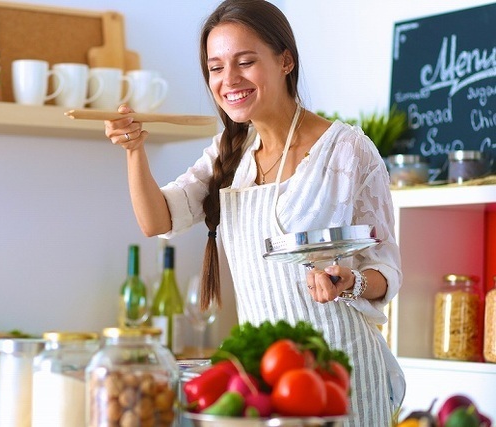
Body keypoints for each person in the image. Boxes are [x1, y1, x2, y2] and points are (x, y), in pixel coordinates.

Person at [104, 0, 405, 424]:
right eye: (215, 68)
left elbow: (386, 273)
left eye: (245, 62)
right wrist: (134, 152)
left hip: (342, 374)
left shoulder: (346, 150)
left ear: (285, 60)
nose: (229, 80)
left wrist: (349, 281)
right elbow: (157, 220)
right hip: (267, 378)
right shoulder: (229, 153)